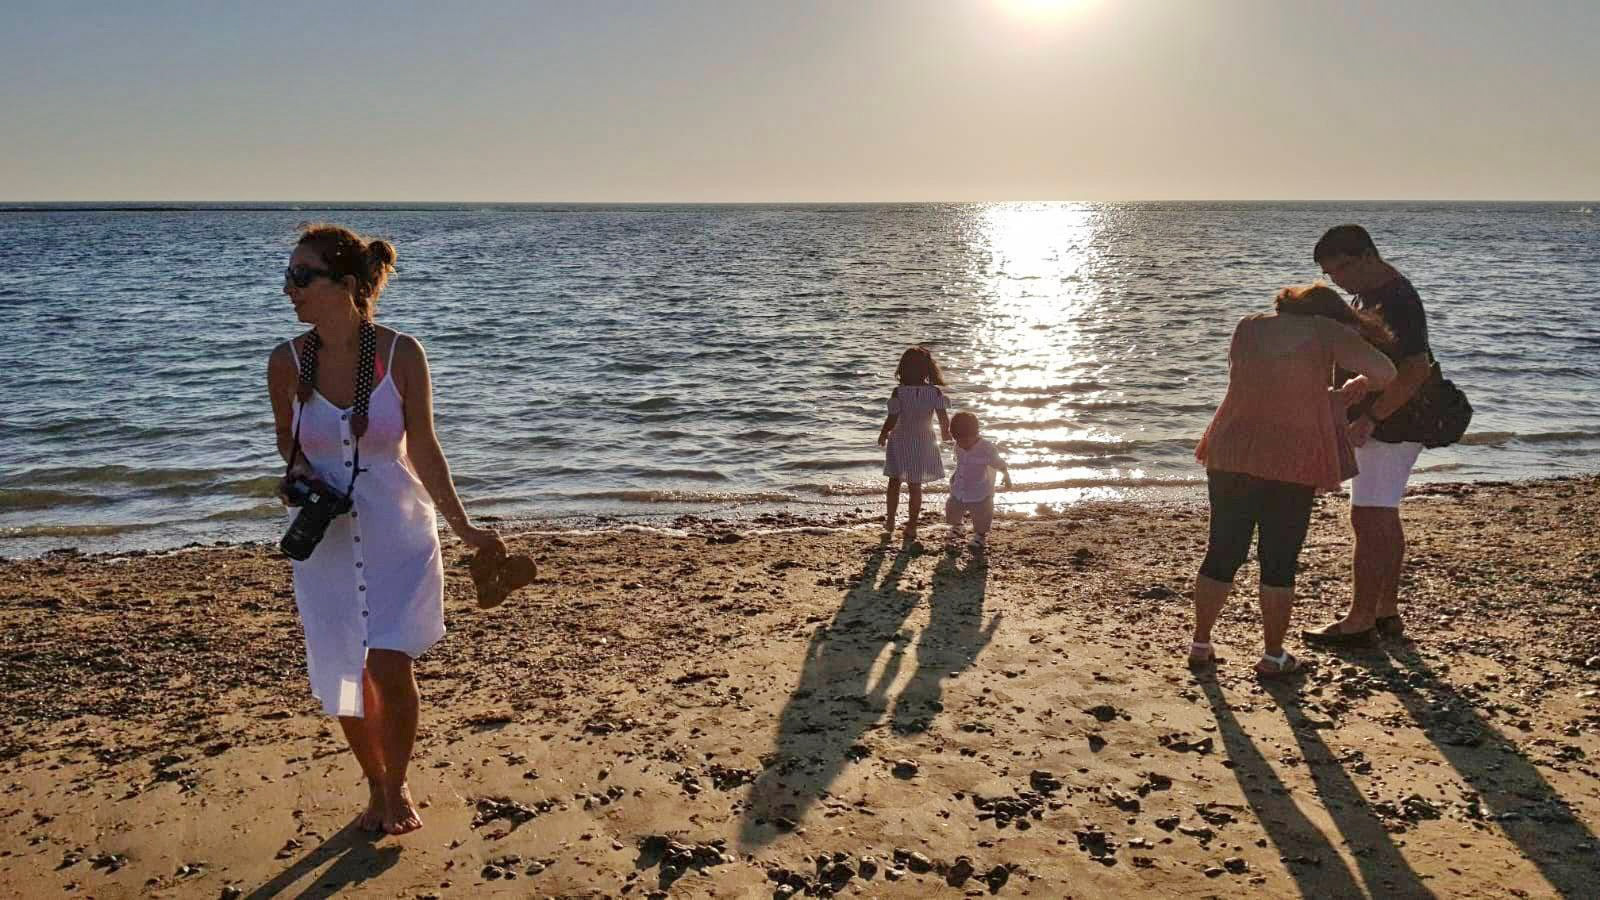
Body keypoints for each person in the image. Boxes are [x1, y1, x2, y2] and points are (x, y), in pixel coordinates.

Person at [266, 224, 505, 835]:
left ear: (346, 285)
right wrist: (295, 483)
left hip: (399, 528)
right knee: (344, 669)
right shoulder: (286, 363)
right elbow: (288, 454)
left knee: (390, 665)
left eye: (302, 276)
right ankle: (373, 783)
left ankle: (395, 787)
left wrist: (465, 528)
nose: (289, 289)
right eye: (288, 276)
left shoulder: (402, 354)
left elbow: (424, 449)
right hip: (325, 541)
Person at [1189, 284, 1397, 676]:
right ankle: (1273, 656)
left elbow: (1266, 388)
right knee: (1279, 559)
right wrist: (1354, 386)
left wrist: (1332, 396)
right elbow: (1386, 372)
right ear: (1329, 314)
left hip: (1231, 447)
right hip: (1290, 458)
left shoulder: (1248, 326)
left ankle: (1200, 644)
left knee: (1222, 551)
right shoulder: (1326, 330)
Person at [1304, 225, 1435, 646]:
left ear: (1366, 256)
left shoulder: (1397, 299)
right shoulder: (1372, 294)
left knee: (1369, 516)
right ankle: (1385, 611)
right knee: (1383, 513)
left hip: (1393, 424)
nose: (1337, 281)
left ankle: (1360, 620)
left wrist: (1373, 417)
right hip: (1391, 420)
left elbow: (1417, 367)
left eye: (1340, 269)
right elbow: (1388, 360)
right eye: (1330, 274)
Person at [876, 346, 952, 541]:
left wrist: (884, 434)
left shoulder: (898, 392)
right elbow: (943, 418)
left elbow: (892, 418)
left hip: (901, 439)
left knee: (894, 481)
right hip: (924, 440)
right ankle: (911, 525)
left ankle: (891, 520)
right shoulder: (934, 393)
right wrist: (947, 436)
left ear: (902, 369)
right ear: (927, 370)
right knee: (915, 485)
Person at [944, 412, 1012, 552]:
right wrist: (955, 475)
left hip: (980, 489)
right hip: (960, 488)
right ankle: (958, 527)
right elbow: (960, 463)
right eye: (958, 440)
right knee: (952, 509)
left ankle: (980, 536)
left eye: (965, 440)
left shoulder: (987, 448)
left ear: (976, 434)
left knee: (982, 515)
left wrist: (1006, 476)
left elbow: (999, 463)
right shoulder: (958, 445)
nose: (961, 444)